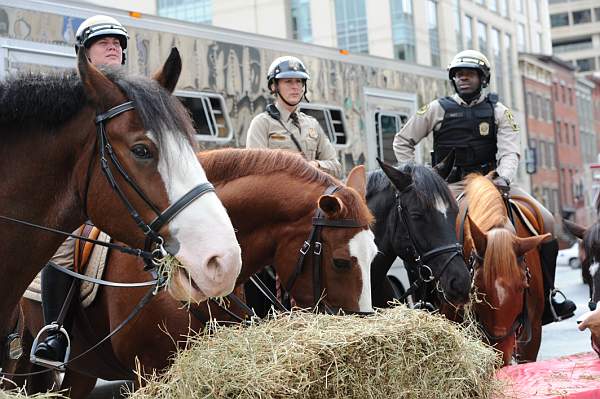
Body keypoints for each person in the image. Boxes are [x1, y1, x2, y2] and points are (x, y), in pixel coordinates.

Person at [392, 49, 576, 324]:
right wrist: (420, 179)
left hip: (492, 181)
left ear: (483, 78)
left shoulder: (500, 111)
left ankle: (548, 296)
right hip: (451, 185)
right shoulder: (435, 109)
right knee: (424, 233)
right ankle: (426, 299)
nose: (463, 79)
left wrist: (503, 176)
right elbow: (402, 141)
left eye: (469, 74)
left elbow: (510, 151)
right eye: (458, 75)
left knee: (546, 221)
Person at [32, 14, 129, 367]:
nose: (113, 47)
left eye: (117, 43)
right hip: (83, 198)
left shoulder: (133, 95)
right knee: (65, 244)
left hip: (129, 194)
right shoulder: (72, 96)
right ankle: (54, 330)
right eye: (103, 42)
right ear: (84, 53)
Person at [246, 56, 342, 178]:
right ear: (274, 86)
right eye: (288, 81)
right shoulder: (262, 123)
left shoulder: (312, 124)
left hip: (310, 195)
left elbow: (336, 167)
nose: (295, 87)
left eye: (299, 81)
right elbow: (255, 167)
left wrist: (316, 165)